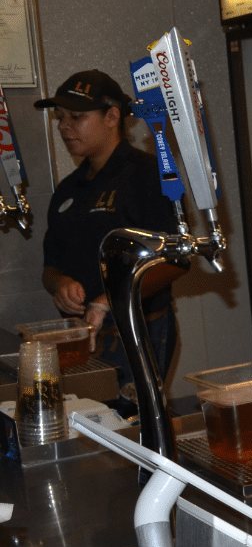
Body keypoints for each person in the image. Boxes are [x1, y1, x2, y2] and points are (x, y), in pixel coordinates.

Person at [37, 70, 186, 389]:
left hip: (137, 332)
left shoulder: (147, 175)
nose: (64, 126)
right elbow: (50, 267)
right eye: (59, 117)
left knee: (135, 426)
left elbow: (175, 261)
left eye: (75, 116)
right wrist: (60, 284)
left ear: (112, 116)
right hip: (83, 339)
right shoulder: (68, 190)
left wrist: (107, 301)